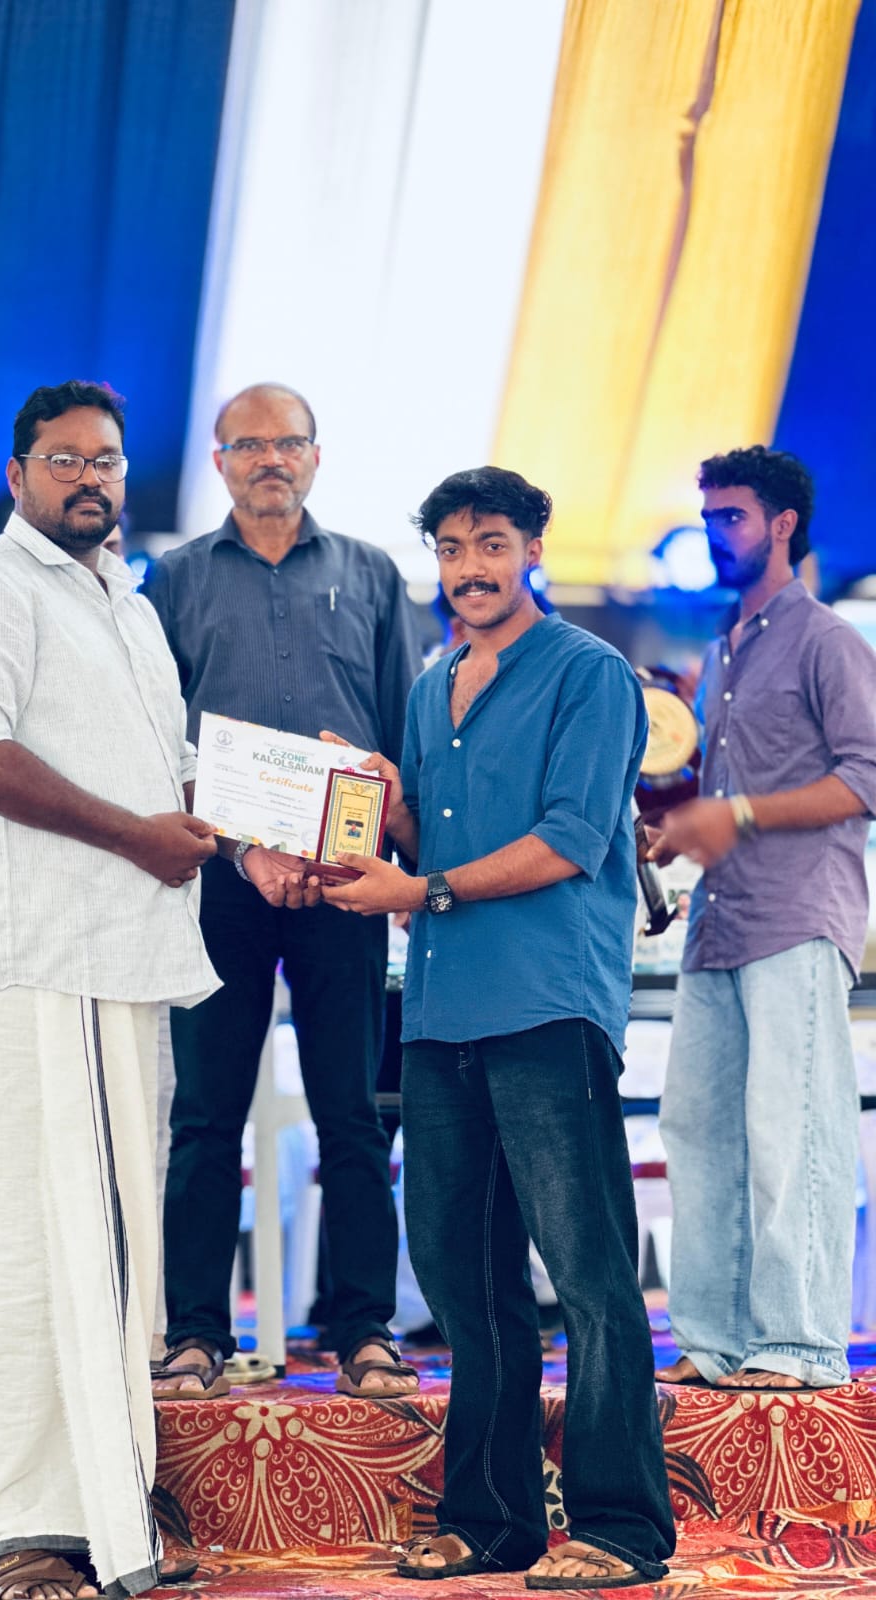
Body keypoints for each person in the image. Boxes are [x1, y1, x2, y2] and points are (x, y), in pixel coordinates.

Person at [309, 467, 675, 1587]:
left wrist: (419, 890)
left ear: (533, 551)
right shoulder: (432, 688)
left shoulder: (590, 673)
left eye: (492, 544)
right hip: (440, 1011)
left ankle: (620, 1528)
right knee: (464, 1281)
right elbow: (430, 839)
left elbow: (569, 841)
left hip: (548, 1002)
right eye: (452, 547)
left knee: (590, 1275)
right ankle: (494, 1520)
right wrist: (380, 801)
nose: (470, 567)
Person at [0, 379, 218, 1600]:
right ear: (19, 472)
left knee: (103, 1248)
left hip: (117, 958)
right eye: (67, 458)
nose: (92, 478)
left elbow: (169, 775)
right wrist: (137, 836)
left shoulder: (127, 605)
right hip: (35, 961)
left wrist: (278, 826)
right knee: (24, 1244)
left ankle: (89, 1507)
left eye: (109, 460)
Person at [143, 382, 421, 1401]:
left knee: (353, 1113)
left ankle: (365, 1331)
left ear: (315, 456)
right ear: (218, 460)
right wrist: (244, 849)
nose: (271, 458)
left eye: (288, 442)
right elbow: (153, 739)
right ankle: (193, 1334)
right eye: (249, 443)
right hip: (223, 881)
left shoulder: (372, 572)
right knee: (204, 1117)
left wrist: (391, 852)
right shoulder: (172, 579)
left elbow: (403, 728)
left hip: (347, 883)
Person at [652, 446, 876, 1391]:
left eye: (732, 517)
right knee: (699, 1130)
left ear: (783, 524)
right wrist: (675, 831)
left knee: (793, 1131)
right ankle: (713, 1339)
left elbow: (867, 776)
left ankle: (801, 1342)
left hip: (798, 916)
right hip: (719, 921)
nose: (715, 534)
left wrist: (736, 814)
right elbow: (719, 801)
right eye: (708, 517)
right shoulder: (722, 651)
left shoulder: (827, 639)